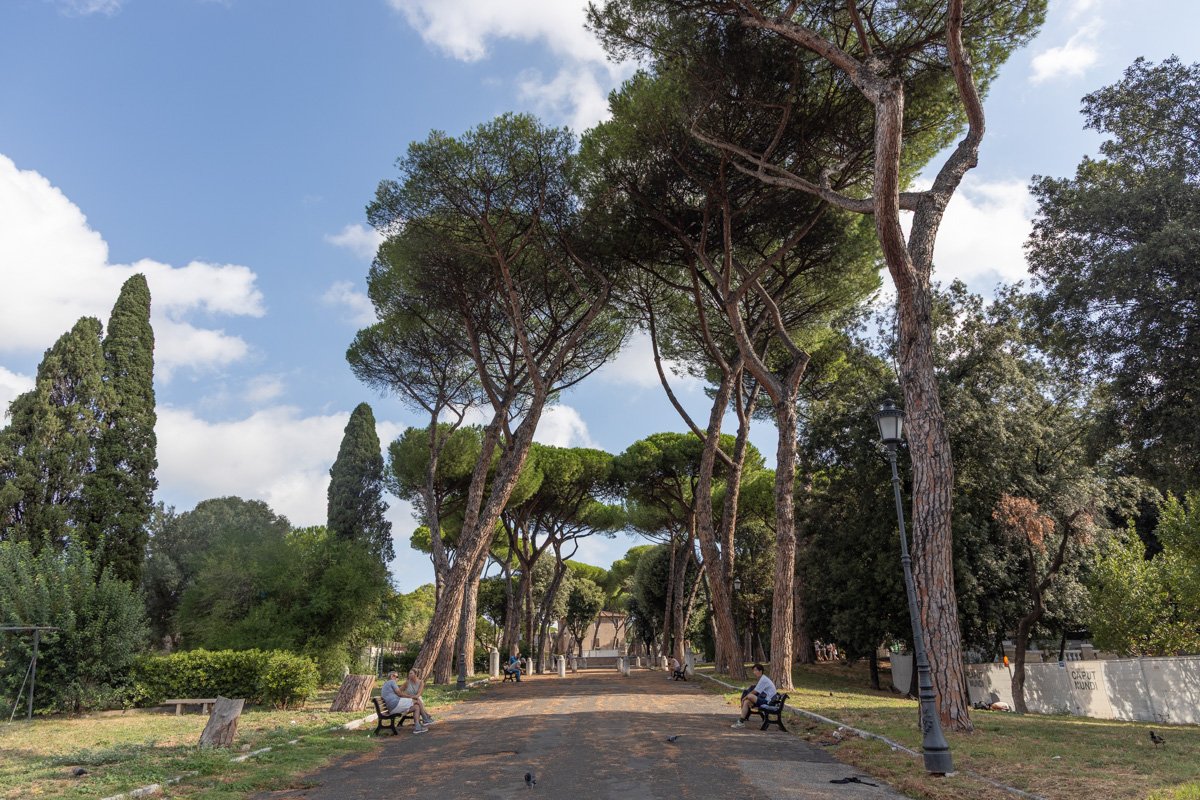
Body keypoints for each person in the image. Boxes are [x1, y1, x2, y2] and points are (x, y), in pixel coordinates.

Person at [731, 663, 776, 728]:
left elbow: (755, 692)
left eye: (755, 670)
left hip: (768, 702)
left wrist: (744, 698)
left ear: (760, 671)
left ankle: (741, 720)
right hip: (765, 699)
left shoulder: (764, 680)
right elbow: (756, 691)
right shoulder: (762, 679)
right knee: (747, 702)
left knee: (749, 696)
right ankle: (741, 722)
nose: (754, 672)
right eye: (753, 671)